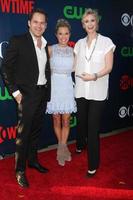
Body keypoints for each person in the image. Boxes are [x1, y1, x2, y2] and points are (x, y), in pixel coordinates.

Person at [1, 8, 51, 187]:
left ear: (45, 25)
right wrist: (15, 93)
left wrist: (47, 91)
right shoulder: (18, 41)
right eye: (35, 22)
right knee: (23, 135)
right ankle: (19, 170)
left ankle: (32, 160)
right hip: (26, 96)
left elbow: (44, 70)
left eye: (42, 23)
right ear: (29, 23)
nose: (39, 25)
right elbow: (6, 67)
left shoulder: (45, 44)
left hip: (42, 94)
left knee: (36, 131)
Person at [74, 8, 116, 177]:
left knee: (93, 129)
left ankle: (93, 164)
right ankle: (80, 145)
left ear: (97, 23)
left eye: (92, 20)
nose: (89, 24)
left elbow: (109, 67)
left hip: (97, 90)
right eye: (86, 21)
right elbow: (73, 66)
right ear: (83, 25)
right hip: (81, 90)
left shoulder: (106, 42)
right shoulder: (78, 43)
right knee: (82, 124)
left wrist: (94, 76)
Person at [46, 19, 77, 166]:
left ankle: (62, 148)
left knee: (66, 120)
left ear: (70, 34)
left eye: (66, 33)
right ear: (56, 35)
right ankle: (62, 148)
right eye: (60, 34)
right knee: (56, 119)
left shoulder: (74, 51)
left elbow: (79, 70)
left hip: (67, 87)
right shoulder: (50, 49)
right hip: (54, 88)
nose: (63, 37)